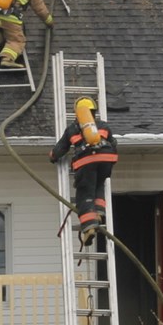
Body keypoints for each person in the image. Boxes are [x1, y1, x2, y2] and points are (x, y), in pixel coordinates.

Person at [50, 97, 118, 245]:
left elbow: (60, 149)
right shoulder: (104, 126)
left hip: (87, 161)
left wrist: (52, 156)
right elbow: (113, 143)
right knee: (99, 184)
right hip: (107, 159)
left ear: (78, 113)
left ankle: (89, 227)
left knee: (84, 193)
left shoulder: (73, 129)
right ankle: (99, 212)